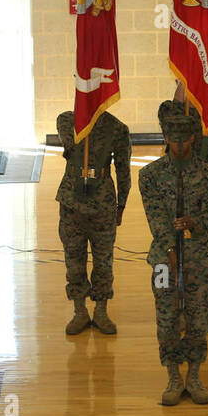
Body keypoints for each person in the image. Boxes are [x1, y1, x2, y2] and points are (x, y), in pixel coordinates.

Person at [140, 107, 208, 405]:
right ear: (164, 137)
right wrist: (170, 249)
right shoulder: (149, 176)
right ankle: (174, 376)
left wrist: (194, 224)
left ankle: (195, 376)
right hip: (164, 260)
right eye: (172, 139)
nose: (177, 146)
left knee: (198, 317)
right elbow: (155, 218)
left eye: (183, 140)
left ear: (193, 139)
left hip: (199, 258)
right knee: (167, 318)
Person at [158, 81, 208, 333]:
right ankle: (177, 309)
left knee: (205, 254)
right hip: (173, 194)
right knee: (172, 252)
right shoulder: (169, 112)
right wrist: (182, 85)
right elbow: (170, 118)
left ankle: (204, 308)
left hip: (205, 197)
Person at [56, 108, 130, 335]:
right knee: (74, 259)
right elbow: (71, 145)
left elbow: (123, 168)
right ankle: (80, 311)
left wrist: (122, 204)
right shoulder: (67, 121)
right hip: (72, 201)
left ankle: (101, 311)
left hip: (103, 202)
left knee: (103, 261)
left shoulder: (117, 128)